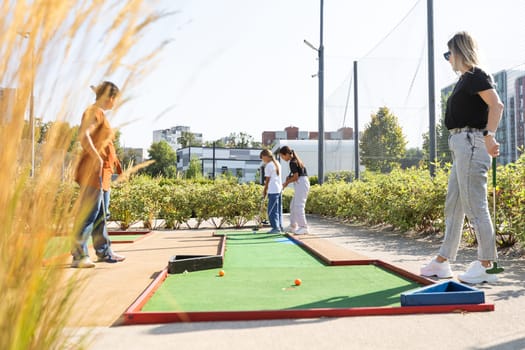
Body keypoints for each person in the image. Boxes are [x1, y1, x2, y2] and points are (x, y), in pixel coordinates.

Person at [420, 32, 504, 283]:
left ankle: (487, 265)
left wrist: (490, 135)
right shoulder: (465, 80)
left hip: (471, 143)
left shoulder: (476, 74)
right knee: (454, 205)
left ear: (460, 52)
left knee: (474, 206)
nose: (448, 60)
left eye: (449, 54)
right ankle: (442, 261)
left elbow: (496, 105)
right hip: (461, 145)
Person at [71, 81, 126, 268]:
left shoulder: (101, 114)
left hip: (104, 173)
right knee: (90, 213)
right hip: (93, 172)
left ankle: (103, 252)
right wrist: (96, 157)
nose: (115, 103)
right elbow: (83, 135)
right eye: (115, 99)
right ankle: (79, 256)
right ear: (110, 97)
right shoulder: (93, 111)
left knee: (102, 214)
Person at [279, 146, 310, 235]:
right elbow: (296, 175)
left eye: (282, 156)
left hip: (301, 183)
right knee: (293, 205)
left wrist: (286, 182)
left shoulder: (292, 162)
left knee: (299, 206)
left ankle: (303, 227)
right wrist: (288, 179)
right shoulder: (295, 160)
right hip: (301, 183)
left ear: (286, 154)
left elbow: (296, 177)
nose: (282, 158)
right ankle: (293, 226)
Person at [260, 149, 283, 234]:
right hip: (279, 190)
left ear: (266, 156)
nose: (263, 160)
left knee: (272, 210)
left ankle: (275, 228)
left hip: (273, 190)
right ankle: (279, 227)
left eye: (262, 158)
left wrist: (265, 190)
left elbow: (267, 181)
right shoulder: (277, 163)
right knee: (278, 210)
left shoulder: (269, 165)